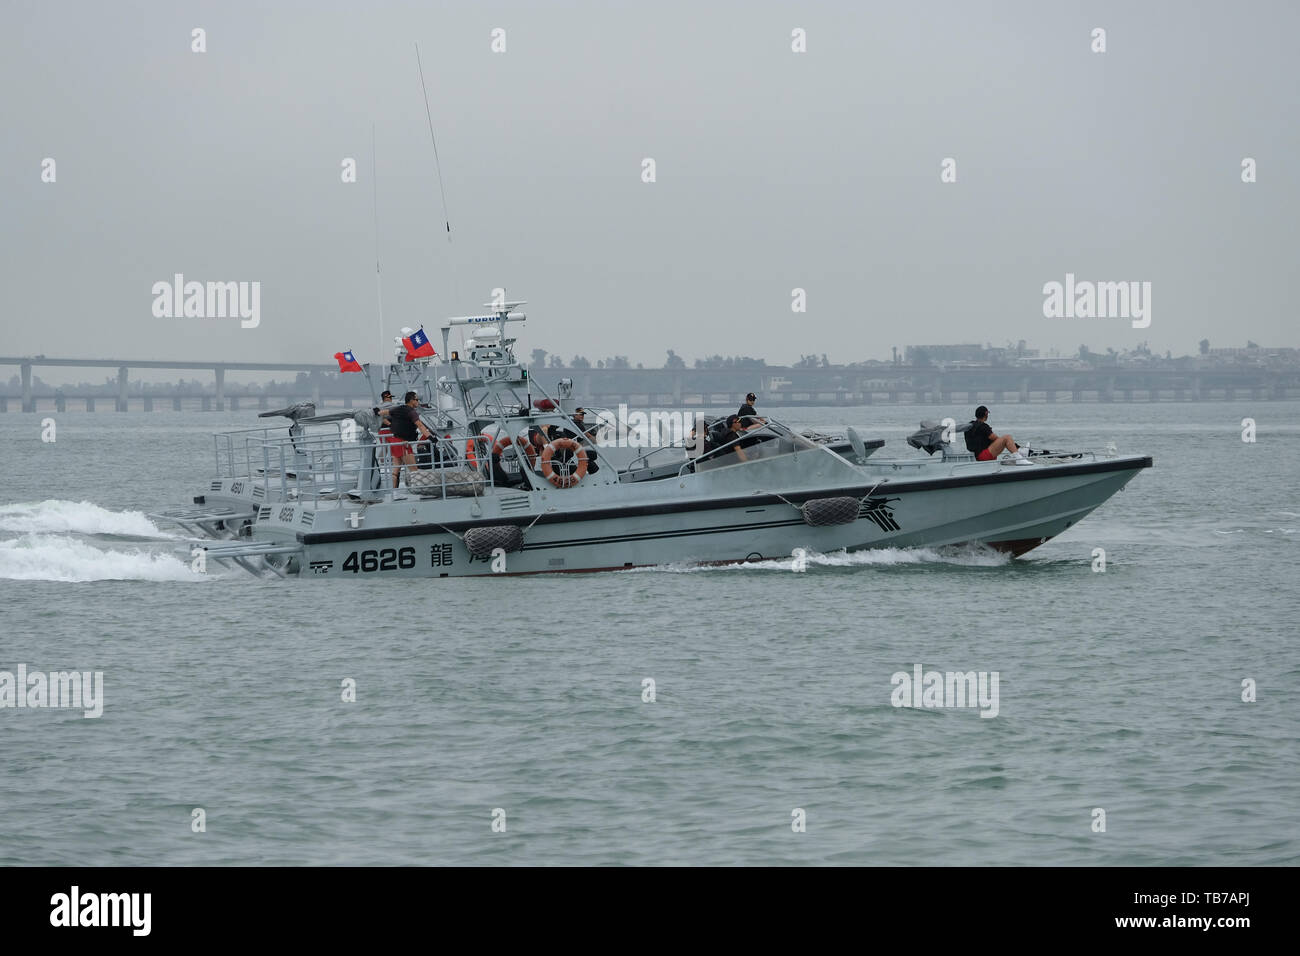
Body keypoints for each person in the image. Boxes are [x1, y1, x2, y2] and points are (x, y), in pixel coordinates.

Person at [384, 391, 434, 487]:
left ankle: (394, 492)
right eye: (416, 400)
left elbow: (383, 412)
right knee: (414, 471)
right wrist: (430, 437)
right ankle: (418, 490)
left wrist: (377, 412)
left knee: (396, 470)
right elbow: (419, 425)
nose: (418, 402)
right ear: (411, 400)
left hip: (395, 441)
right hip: (403, 443)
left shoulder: (399, 409)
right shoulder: (411, 412)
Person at [964, 405, 1029, 463]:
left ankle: (1020, 452)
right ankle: (1019, 457)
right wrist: (1015, 446)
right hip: (983, 456)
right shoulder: (983, 427)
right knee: (1007, 437)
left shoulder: (971, 425)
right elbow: (996, 439)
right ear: (986, 413)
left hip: (976, 456)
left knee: (1004, 440)